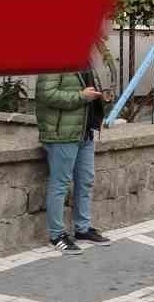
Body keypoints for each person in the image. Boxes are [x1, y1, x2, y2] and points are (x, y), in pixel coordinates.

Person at [35, 65, 114, 254]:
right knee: (60, 183)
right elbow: (46, 94)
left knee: (86, 180)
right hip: (63, 135)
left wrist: (100, 98)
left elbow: (86, 91)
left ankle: (83, 229)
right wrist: (81, 96)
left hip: (84, 132)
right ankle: (57, 235)